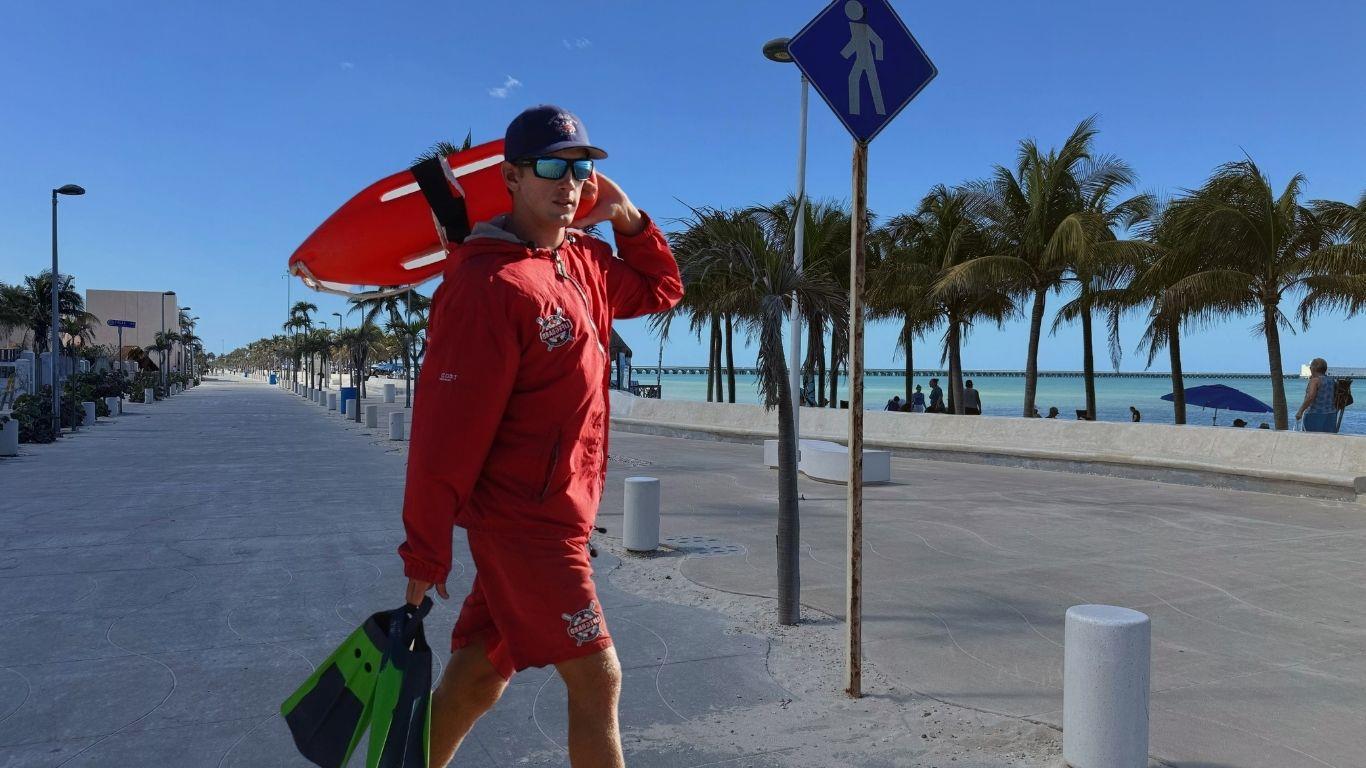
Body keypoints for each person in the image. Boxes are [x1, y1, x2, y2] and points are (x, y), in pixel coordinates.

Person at [398, 105, 683, 768]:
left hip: (563, 513)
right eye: (552, 166)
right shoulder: (484, 284)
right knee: (597, 677)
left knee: (474, 681)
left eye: (581, 167)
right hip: (525, 523)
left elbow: (663, 289)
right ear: (512, 178)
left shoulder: (583, 262)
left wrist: (630, 220)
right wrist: (423, 558)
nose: (571, 181)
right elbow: (444, 434)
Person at [1296, 357, 1339, 433]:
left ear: (1312, 369)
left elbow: (1310, 397)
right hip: (1331, 414)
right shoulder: (1331, 380)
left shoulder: (1315, 381)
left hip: (1315, 414)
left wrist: (1300, 411)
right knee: (1328, 439)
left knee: (1311, 439)